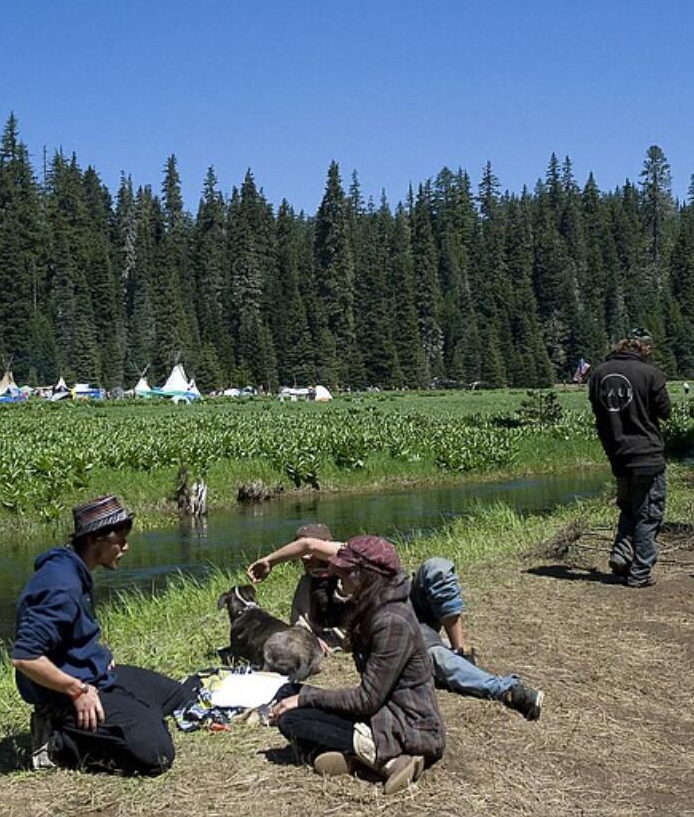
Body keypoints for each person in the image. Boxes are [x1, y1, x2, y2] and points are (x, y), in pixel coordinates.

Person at [248, 524, 543, 719]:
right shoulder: (310, 587)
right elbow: (304, 630)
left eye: (315, 556)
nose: (310, 561)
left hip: (399, 610)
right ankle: (503, 688)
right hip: (390, 623)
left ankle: (465, 653)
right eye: (306, 560)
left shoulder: (357, 554)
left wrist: (269, 561)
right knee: (433, 657)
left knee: (436, 571)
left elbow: (308, 544)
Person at [10, 494, 200, 774]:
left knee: (176, 695)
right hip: (64, 694)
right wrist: (76, 690)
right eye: (119, 540)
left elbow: (70, 636)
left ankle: (129, 717)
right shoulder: (60, 585)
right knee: (157, 755)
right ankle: (57, 741)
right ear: (93, 540)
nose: (125, 547)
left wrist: (97, 655)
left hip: (93, 675)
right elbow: (25, 658)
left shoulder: (75, 570)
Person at [269, 535, 445, 794]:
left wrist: (307, 698)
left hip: (408, 725)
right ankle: (353, 754)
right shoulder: (373, 601)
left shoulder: (391, 622)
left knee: (292, 719)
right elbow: (327, 616)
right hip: (384, 711)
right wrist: (323, 574)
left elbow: (366, 700)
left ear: (367, 575)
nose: (340, 577)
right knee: (287, 694)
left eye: (347, 572)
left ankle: (387, 760)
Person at [587, 329, 671, 587]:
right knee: (649, 513)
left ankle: (622, 555)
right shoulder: (651, 374)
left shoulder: (599, 374)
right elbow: (665, 411)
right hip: (647, 454)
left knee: (628, 507)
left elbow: (597, 410)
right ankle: (640, 572)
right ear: (644, 350)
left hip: (617, 455)